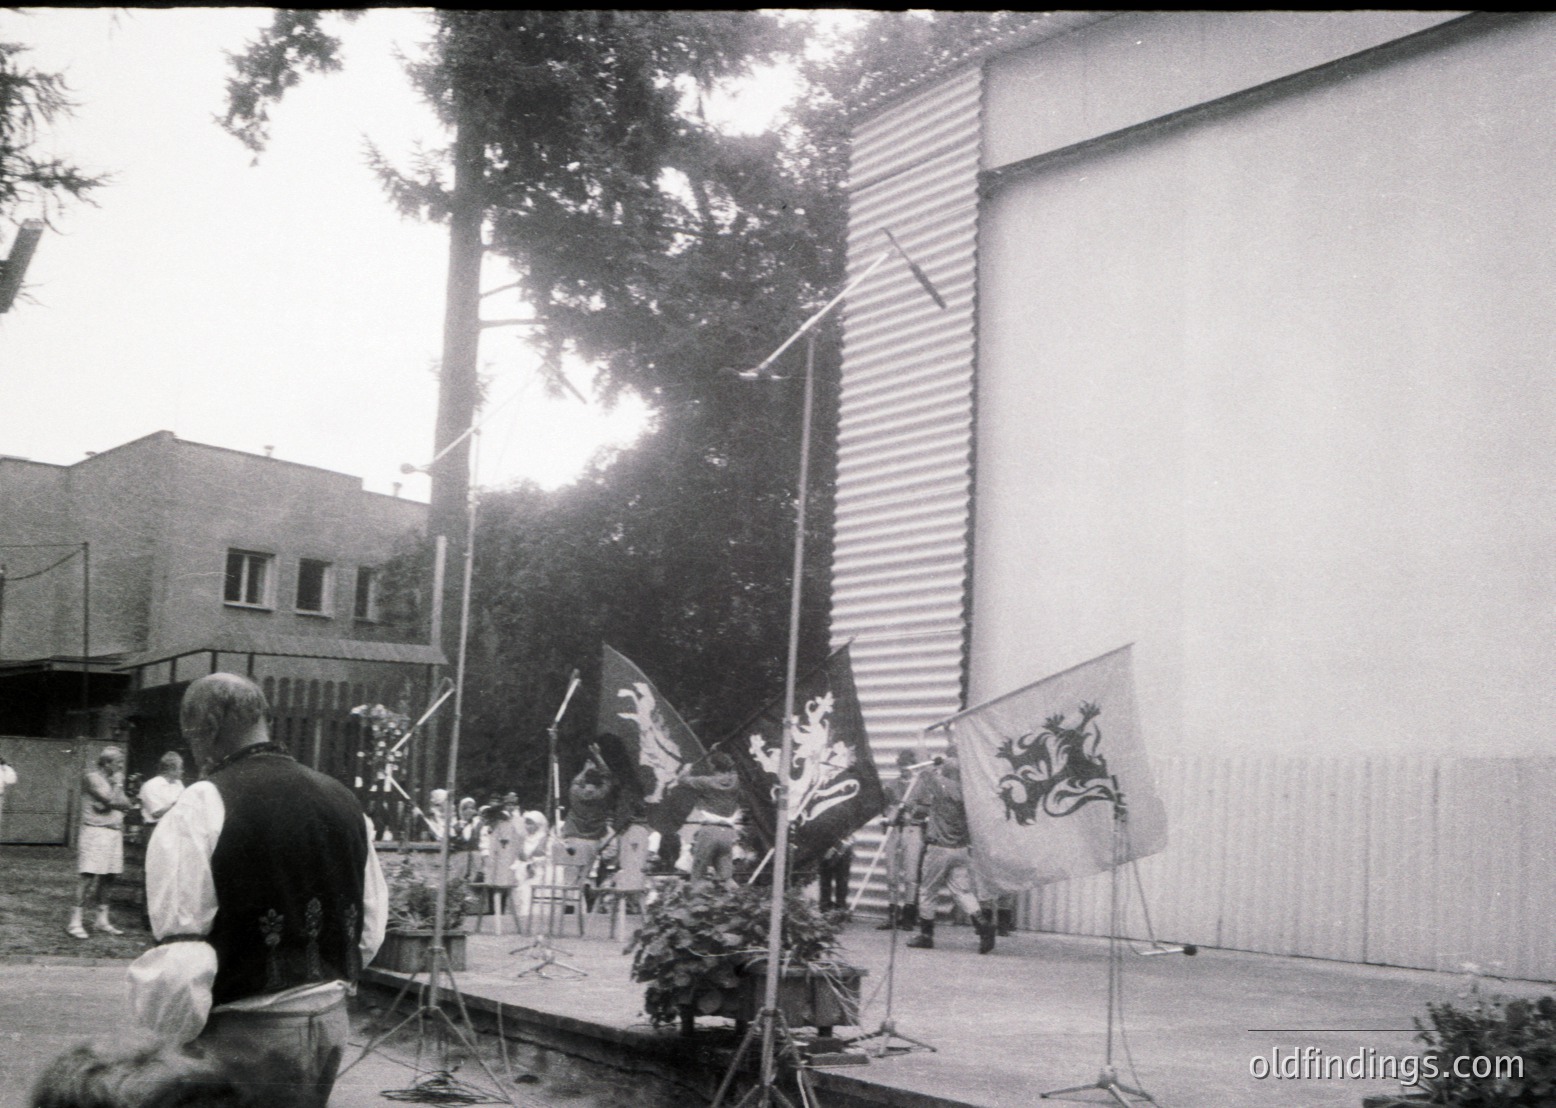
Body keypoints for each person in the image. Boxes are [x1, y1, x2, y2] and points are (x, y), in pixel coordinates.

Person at [126, 672, 388, 1104]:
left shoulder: (203, 802)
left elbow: (181, 948)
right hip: (329, 1021)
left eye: (191, 736)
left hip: (247, 1033)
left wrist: (174, 1042)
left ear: (207, 730)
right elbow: (371, 926)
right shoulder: (343, 799)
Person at [907, 749, 995, 954]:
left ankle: (926, 935)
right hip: (960, 848)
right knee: (962, 891)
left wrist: (923, 742)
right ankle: (982, 924)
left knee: (927, 891)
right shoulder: (968, 793)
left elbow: (924, 766)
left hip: (939, 847)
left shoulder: (941, 787)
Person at [69, 746, 135, 939]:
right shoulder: (91, 778)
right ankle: (74, 922)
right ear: (106, 763)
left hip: (113, 832)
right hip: (95, 832)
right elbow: (111, 802)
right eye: (118, 762)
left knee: (109, 877)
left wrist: (114, 799)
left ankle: (101, 920)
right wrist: (115, 792)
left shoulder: (114, 780)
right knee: (88, 876)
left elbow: (125, 804)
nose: (121, 766)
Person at [878, 749, 928, 931]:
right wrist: (891, 813)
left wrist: (912, 811)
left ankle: (908, 916)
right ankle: (892, 915)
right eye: (902, 765)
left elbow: (928, 809)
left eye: (908, 766)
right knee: (892, 874)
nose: (905, 769)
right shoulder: (891, 786)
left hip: (913, 830)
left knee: (911, 876)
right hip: (894, 831)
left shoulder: (921, 786)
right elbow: (883, 810)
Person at [676, 751, 742, 883]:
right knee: (725, 876)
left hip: (709, 830)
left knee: (698, 874)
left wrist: (686, 770)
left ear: (713, 767)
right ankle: (731, 900)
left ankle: (698, 901)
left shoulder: (706, 782)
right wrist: (718, 751)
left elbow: (682, 780)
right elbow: (733, 769)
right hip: (728, 833)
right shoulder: (736, 781)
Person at [557, 759, 615, 889]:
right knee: (583, 878)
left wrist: (585, 769)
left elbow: (576, 781)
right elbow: (607, 776)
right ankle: (579, 907)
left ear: (585, 781)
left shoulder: (575, 792)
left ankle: (568, 907)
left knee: (569, 879)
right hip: (592, 841)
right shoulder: (602, 794)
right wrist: (598, 757)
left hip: (573, 839)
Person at [138, 752, 187, 833]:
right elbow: (156, 813)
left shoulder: (179, 784)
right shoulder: (151, 785)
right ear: (172, 768)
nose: (183, 771)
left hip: (175, 830)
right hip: (156, 830)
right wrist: (177, 803)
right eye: (181, 768)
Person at [817, 833, 854, 917]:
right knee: (825, 882)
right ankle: (825, 910)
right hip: (825, 845)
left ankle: (840, 910)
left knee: (842, 882)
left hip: (843, 847)